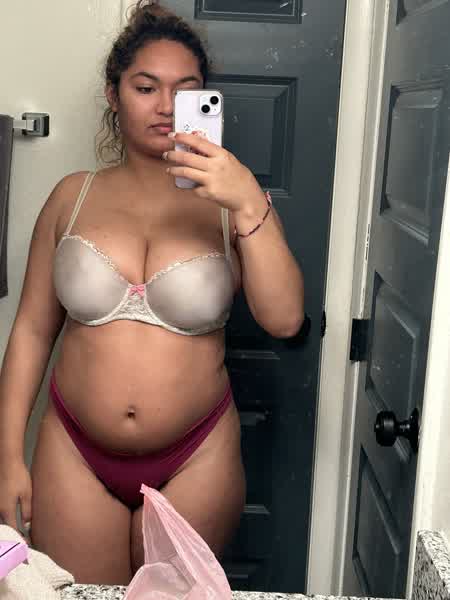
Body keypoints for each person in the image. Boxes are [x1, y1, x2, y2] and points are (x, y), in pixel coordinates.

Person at [0, 0, 305, 586]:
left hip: (197, 454)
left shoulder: (233, 203)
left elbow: (285, 319)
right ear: (113, 95)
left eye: (185, 91)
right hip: (74, 451)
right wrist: (6, 454)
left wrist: (247, 201)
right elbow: (32, 332)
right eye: (145, 87)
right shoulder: (71, 197)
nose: (165, 106)